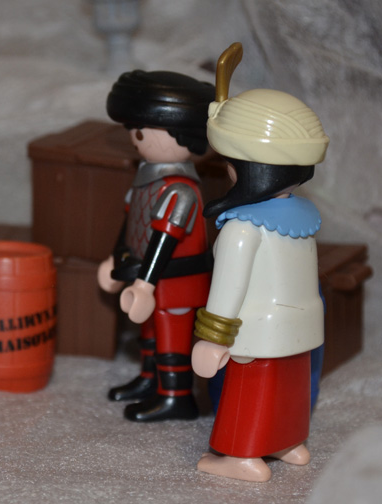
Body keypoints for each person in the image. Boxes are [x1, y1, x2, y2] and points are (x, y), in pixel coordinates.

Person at [192, 43, 329, 481]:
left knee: (250, 394)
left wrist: (212, 338)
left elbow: (228, 288)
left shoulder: (241, 227)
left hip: (256, 332)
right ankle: (290, 442)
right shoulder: (303, 214)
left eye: (230, 163)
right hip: (302, 325)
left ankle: (243, 456)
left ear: (248, 167)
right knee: (289, 388)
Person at [99, 70, 214, 422]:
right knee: (148, 332)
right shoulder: (146, 182)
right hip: (146, 278)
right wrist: (115, 260)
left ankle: (176, 396)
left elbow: (166, 240)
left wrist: (146, 283)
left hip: (176, 283)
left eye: (144, 130)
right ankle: (150, 380)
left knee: (171, 336)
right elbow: (131, 225)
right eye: (134, 129)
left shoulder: (180, 191)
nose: (136, 138)